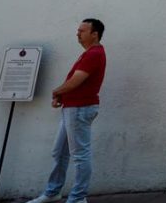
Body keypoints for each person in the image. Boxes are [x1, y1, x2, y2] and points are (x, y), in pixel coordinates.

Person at [27, 19, 107, 203]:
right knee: (60, 153)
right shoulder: (88, 53)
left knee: (80, 155)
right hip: (72, 108)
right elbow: (77, 84)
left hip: (80, 109)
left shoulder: (94, 54)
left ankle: (78, 198)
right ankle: (53, 192)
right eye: (78, 30)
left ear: (95, 34)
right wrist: (63, 96)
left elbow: (76, 81)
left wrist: (56, 91)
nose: (77, 34)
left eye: (82, 31)